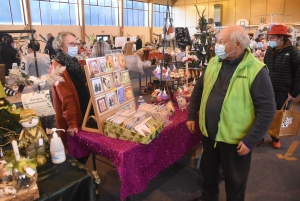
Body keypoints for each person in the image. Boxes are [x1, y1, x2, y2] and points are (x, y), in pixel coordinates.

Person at [186, 25, 276, 201]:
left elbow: (267, 109)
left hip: (235, 140)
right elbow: (199, 89)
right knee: (208, 174)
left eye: (222, 42)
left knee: (235, 182)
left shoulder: (256, 70)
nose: (217, 45)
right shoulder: (214, 62)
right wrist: (191, 114)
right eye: (217, 41)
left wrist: (251, 139)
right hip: (210, 135)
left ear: (237, 45)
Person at [51, 31, 90, 164]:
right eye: (71, 44)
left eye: (76, 43)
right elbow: (66, 98)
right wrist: (72, 123)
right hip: (73, 117)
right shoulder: (58, 68)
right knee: (78, 154)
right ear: (61, 46)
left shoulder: (72, 62)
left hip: (82, 111)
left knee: (85, 149)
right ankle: (82, 179)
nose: (75, 46)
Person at [263, 24, 300, 149]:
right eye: (270, 37)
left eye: (273, 37)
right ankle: (259, 137)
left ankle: (275, 138)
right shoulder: (269, 51)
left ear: (281, 38)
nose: (270, 40)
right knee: (262, 114)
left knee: (279, 116)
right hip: (267, 90)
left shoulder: (294, 52)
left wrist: (294, 93)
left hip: (283, 92)